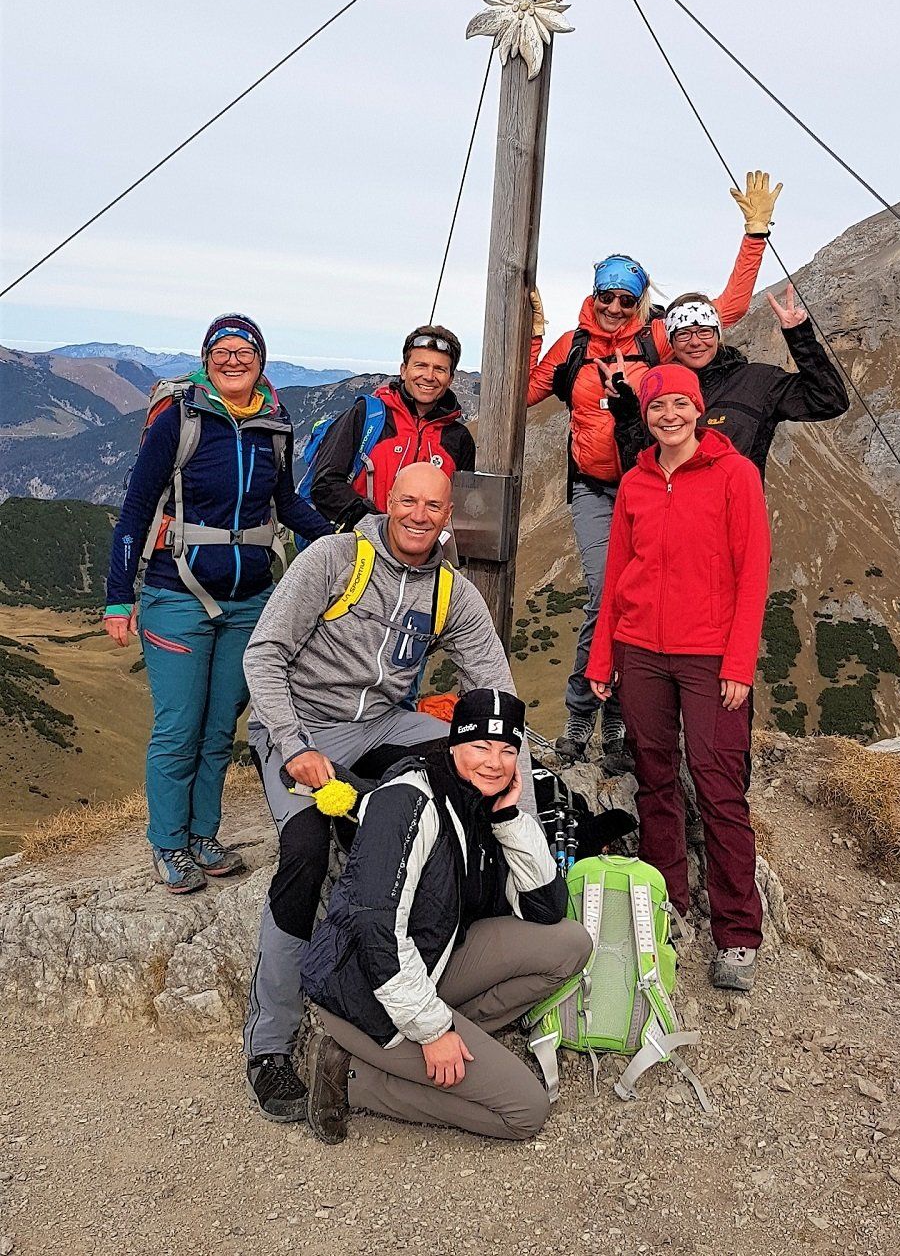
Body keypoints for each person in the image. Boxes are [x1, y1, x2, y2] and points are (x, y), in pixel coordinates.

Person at [241, 462, 537, 1124]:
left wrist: (507, 772)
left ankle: (453, 970)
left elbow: (495, 686)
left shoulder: (450, 591)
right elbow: (263, 654)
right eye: (408, 501)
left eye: (433, 506)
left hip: (379, 724)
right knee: (306, 852)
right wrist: (294, 744)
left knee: (467, 775)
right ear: (387, 501)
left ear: (447, 516)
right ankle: (269, 1048)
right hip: (300, 728)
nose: (419, 516)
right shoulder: (334, 559)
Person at [526, 171, 781, 770]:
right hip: (594, 490)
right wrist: (534, 335)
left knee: (635, 602)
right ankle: (582, 714)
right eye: (607, 296)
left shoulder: (656, 339)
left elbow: (725, 310)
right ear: (594, 295)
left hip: (650, 486)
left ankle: (618, 718)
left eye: (627, 299)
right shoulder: (571, 348)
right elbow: (522, 392)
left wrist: (755, 234)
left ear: (639, 302)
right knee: (604, 596)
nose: (616, 308)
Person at [298, 688, 592, 1144]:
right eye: (481, 746)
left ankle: (446, 1035)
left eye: (507, 750)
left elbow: (546, 909)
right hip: (362, 989)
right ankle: (352, 1074)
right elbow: (374, 926)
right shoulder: (409, 800)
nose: (494, 763)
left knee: (571, 944)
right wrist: (434, 1031)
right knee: (525, 1111)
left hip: (431, 960)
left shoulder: (478, 799)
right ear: (453, 744)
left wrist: (509, 818)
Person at [103, 313, 332, 895]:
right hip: (176, 593)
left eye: (244, 352)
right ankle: (169, 843)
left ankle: (203, 836)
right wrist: (117, 597)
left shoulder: (273, 424)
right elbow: (136, 509)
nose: (233, 361)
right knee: (179, 727)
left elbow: (286, 502)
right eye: (222, 351)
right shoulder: (179, 418)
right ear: (206, 360)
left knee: (218, 729)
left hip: (250, 602)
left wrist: (342, 540)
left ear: (260, 360)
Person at [586, 364, 771, 995]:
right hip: (640, 649)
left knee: (719, 785)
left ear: (697, 410)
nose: (668, 415)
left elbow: (753, 574)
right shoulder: (635, 482)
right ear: (646, 415)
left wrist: (739, 664)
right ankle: (667, 900)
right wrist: (603, 659)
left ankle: (738, 931)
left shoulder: (735, 474)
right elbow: (617, 574)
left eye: (679, 404)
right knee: (654, 775)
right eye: (657, 406)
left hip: (709, 655)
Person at [609, 282, 850, 481]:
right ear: (671, 341)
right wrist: (627, 414)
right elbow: (639, 466)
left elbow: (829, 401)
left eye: (705, 331)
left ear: (718, 335)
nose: (695, 342)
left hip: (734, 516)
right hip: (673, 518)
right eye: (683, 334)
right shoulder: (659, 389)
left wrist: (800, 337)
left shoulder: (757, 381)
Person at [308, 324, 474, 531]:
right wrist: (377, 527)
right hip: (361, 544)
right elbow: (325, 484)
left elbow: (461, 510)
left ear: (450, 379)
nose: (429, 376)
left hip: (426, 547)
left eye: (439, 369)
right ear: (403, 370)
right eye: (420, 365)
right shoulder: (367, 415)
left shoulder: (460, 439)